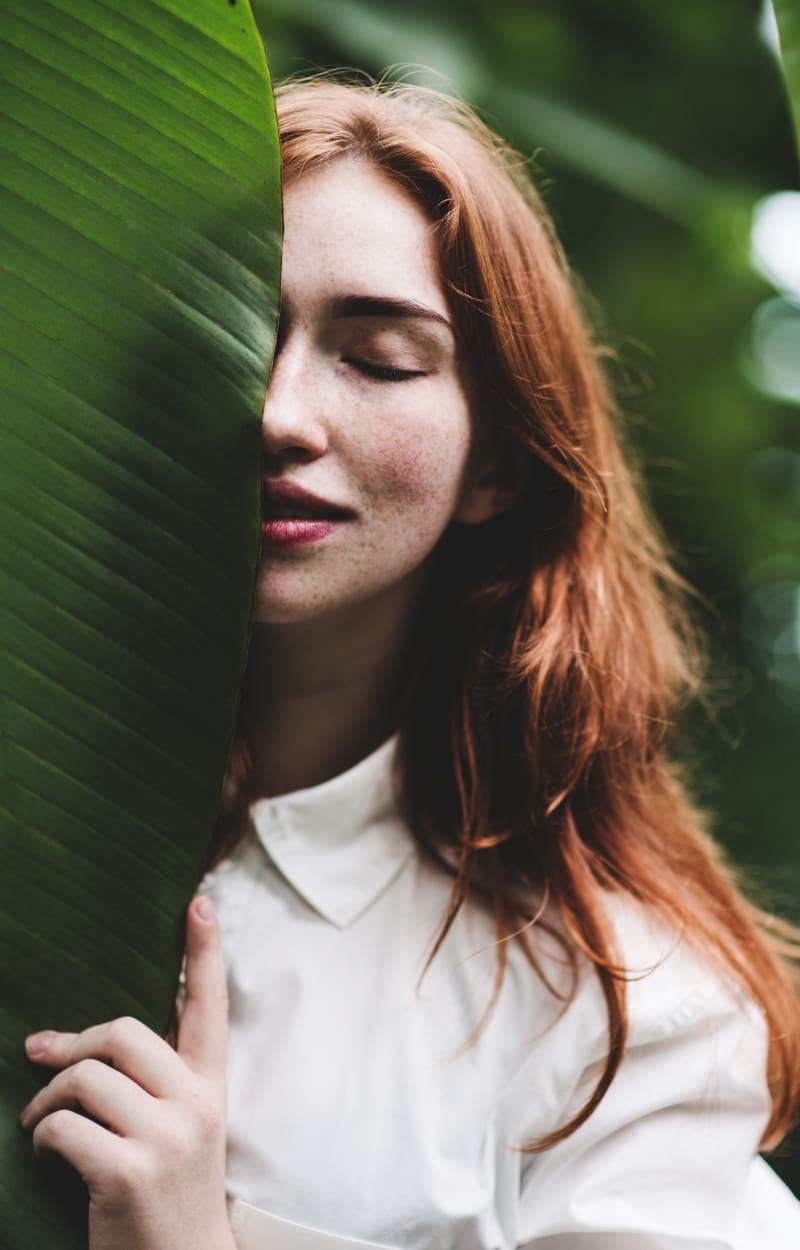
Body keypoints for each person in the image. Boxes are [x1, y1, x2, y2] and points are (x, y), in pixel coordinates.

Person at [18, 75, 800, 1250]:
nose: (279, 410)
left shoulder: (625, 1021)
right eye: (236, 330)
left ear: (497, 465)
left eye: (379, 359)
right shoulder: (33, 808)